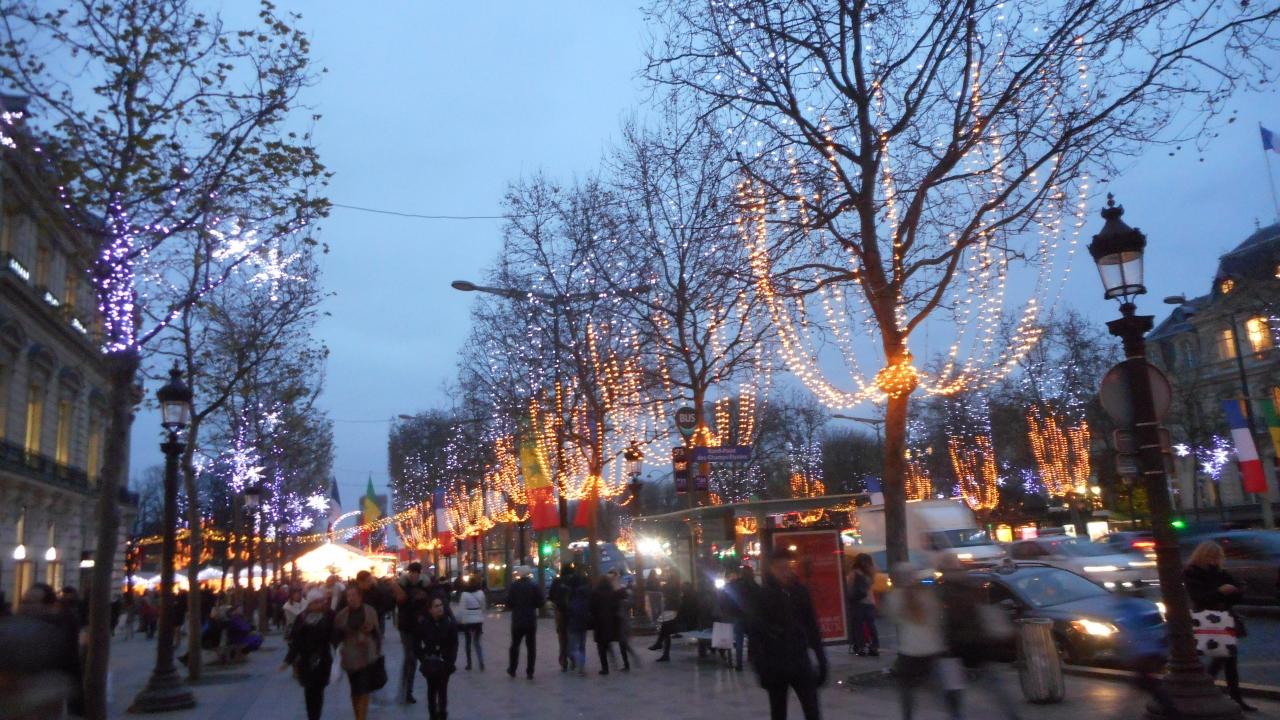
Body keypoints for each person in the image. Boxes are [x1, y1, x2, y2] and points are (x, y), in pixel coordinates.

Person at [746, 549, 826, 720]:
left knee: (812, 710)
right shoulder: (763, 596)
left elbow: (812, 627)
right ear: (771, 569)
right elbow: (755, 633)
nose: (785, 572)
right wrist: (760, 667)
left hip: (800, 660)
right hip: (775, 664)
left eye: (788, 567)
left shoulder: (800, 592)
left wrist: (821, 659)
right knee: (778, 711)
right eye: (780, 568)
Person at [1185, 540, 1257, 712]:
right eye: (1213, 556)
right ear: (1204, 555)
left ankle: (1227, 695)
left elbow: (1233, 596)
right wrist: (1220, 592)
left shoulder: (1219, 572)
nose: (1216, 559)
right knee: (1224, 657)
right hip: (1208, 618)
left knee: (1227, 657)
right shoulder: (1192, 573)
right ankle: (1225, 695)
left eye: (1218, 556)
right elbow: (1199, 597)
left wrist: (1238, 590)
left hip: (1223, 617)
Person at [883, 563, 957, 720]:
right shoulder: (927, 594)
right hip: (932, 649)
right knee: (942, 689)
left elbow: (893, 617)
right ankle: (956, 715)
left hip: (910, 651)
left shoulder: (894, 596)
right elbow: (938, 618)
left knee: (907, 692)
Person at [282, 589, 335, 720]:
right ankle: (312, 716)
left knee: (319, 691)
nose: (319, 604)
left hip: (322, 659)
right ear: (310, 604)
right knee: (309, 691)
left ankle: (315, 716)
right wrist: (288, 660)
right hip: (306, 661)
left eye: (321, 601)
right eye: (316, 602)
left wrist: (341, 651)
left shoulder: (329, 616)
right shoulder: (301, 618)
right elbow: (296, 642)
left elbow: (335, 636)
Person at [334, 586, 385, 720]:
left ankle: (361, 717)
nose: (351, 598)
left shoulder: (369, 611)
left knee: (364, 689)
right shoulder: (342, 615)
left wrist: (377, 649)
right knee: (355, 690)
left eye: (353, 595)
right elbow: (337, 636)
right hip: (350, 657)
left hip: (367, 655)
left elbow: (377, 633)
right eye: (348, 596)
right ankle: (358, 715)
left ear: (360, 596)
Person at [415, 596, 460, 720]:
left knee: (442, 690)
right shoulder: (424, 623)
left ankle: (443, 713)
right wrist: (423, 658)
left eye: (441, 605)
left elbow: (454, 643)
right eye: (436, 606)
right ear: (430, 609)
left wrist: (450, 660)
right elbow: (416, 643)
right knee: (431, 690)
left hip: (444, 663)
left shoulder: (449, 623)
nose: (440, 608)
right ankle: (432, 714)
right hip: (430, 663)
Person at [505, 569, 544, 679]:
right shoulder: (534, 586)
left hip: (517, 620)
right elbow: (541, 601)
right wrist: (533, 605)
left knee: (515, 645)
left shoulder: (514, 586)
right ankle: (530, 671)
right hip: (530, 619)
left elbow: (509, 602)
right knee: (531, 646)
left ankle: (512, 668)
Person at [722, 565, 759, 671]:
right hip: (751, 617)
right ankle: (751, 659)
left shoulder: (736, 585)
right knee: (752, 638)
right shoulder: (755, 586)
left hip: (738, 615)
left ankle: (739, 663)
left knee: (739, 639)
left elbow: (727, 597)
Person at [651, 581, 699, 661]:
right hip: (687, 622)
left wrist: (677, 619)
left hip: (688, 624)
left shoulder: (689, 599)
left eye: (684, 587)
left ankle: (661, 648)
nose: (682, 589)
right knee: (666, 627)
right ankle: (661, 647)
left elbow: (685, 613)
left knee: (665, 628)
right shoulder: (687, 598)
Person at [589, 572, 625, 674]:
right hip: (610, 622)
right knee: (608, 643)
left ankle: (605, 668)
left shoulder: (595, 592)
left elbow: (591, 607)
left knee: (601, 647)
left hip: (599, 623)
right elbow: (617, 603)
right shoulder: (612, 592)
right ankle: (614, 662)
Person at [846, 553, 879, 656]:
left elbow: (849, 586)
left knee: (858, 626)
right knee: (871, 625)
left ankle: (861, 647)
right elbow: (870, 584)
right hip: (870, 602)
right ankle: (874, 647)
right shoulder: (870, 573)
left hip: (858, 603)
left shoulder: (854, 573)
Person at [548, 564, 575, 671]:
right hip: (572, 613)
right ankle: (573, 657)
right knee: (572, 636)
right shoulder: (573, 581)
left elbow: (551, 596)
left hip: (560, 612)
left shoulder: (557, 581)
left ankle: (563, 661)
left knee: (562, 637)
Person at [565, 574, 592, 676]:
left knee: (572, 648)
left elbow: (569, 609)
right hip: (583, 623)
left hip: (573, 624)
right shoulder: (585, 593)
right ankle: (582, 667)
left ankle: (579, 663)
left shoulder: (572, 595)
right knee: (582, 646)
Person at [458, 576, 486, 671]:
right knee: (477, 642)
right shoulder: (481, 593)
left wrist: (461, 619)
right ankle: (481, 662)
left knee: (468, 642)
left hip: (468, 620)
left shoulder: (464, 594)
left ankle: (469, 664)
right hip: (478, 620)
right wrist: (480, 614)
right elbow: (483, 606)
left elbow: (462, 608)